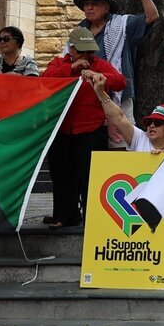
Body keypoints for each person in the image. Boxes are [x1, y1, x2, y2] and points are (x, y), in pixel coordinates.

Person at [41, 28, 125, 228]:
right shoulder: (58, 64)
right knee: (62, 173)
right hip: (61, 129)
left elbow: (120, 82)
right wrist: (72, 68)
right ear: (71, 49)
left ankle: (92, 217)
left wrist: (98, 75)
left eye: (90, 51)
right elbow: (45, 81)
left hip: (91, 130)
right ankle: (65, 216)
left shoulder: (100, 65)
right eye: (82, 51)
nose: (87, 55)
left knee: (90, 176)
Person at [73, 0, 159, 141]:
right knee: (93, 142)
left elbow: (152, 16)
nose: (89, 8)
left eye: (94, 4)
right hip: (88, 97)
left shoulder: (122, 25)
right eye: (86, 4)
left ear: (106, 8)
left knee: (122, 141)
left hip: (119, 94)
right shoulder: (79, 31)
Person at [90, 72, 164, 155]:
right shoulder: (139, 138)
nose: (152, 125)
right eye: (149, 122)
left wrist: (163, 158)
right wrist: (100, 93)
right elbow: (119, 118)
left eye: (158, 123)